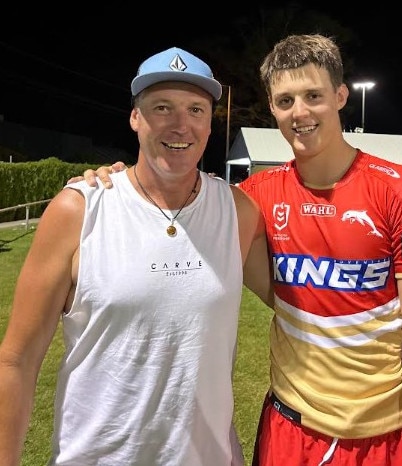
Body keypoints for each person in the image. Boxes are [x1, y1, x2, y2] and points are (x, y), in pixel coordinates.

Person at [72, 34, 402, 466]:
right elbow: (170, 210)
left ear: (342, 95)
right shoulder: (255, 197)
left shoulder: (399, 189)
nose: (301, 112)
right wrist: (115, 180)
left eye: (314, 95)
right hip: (289, 430)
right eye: (286, 100)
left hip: (381, 435)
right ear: (272, 108)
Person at [0, 46, 273, 466]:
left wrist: (400, 328)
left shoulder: (236, 211)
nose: (181, 125)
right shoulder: (81, 209)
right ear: (135, 118)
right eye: (162, 107)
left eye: (196, 110)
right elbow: (17, 360)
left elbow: (298, 298)